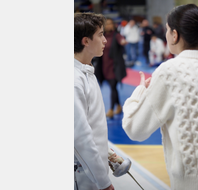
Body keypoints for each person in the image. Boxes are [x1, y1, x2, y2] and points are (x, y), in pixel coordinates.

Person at [122, 4, 198, 190]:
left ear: (175, 35)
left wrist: (139, 92)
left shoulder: (169, 72)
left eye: (168, 30)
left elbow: (134, 128)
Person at [74, 12, 117, 190]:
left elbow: (93, 125)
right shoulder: (74, 82)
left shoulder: (86, 72)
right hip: (83, 177)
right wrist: (104, 182)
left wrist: (106, 153)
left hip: (92, 172)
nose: (105, 40)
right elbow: (80, 136)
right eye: (100, 35)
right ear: (86, 41)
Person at [92, 18, 127, 118]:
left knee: (113, 87)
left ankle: (111, 109)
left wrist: (123, 41)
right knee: (113, 87)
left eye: (110, 24)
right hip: (104, 66)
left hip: (114, 67)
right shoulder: (102, 37)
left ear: (113, 25)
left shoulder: (116, 35)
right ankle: (119, 106)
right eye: (106, 24)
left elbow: (121, 39)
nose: (109, 26)